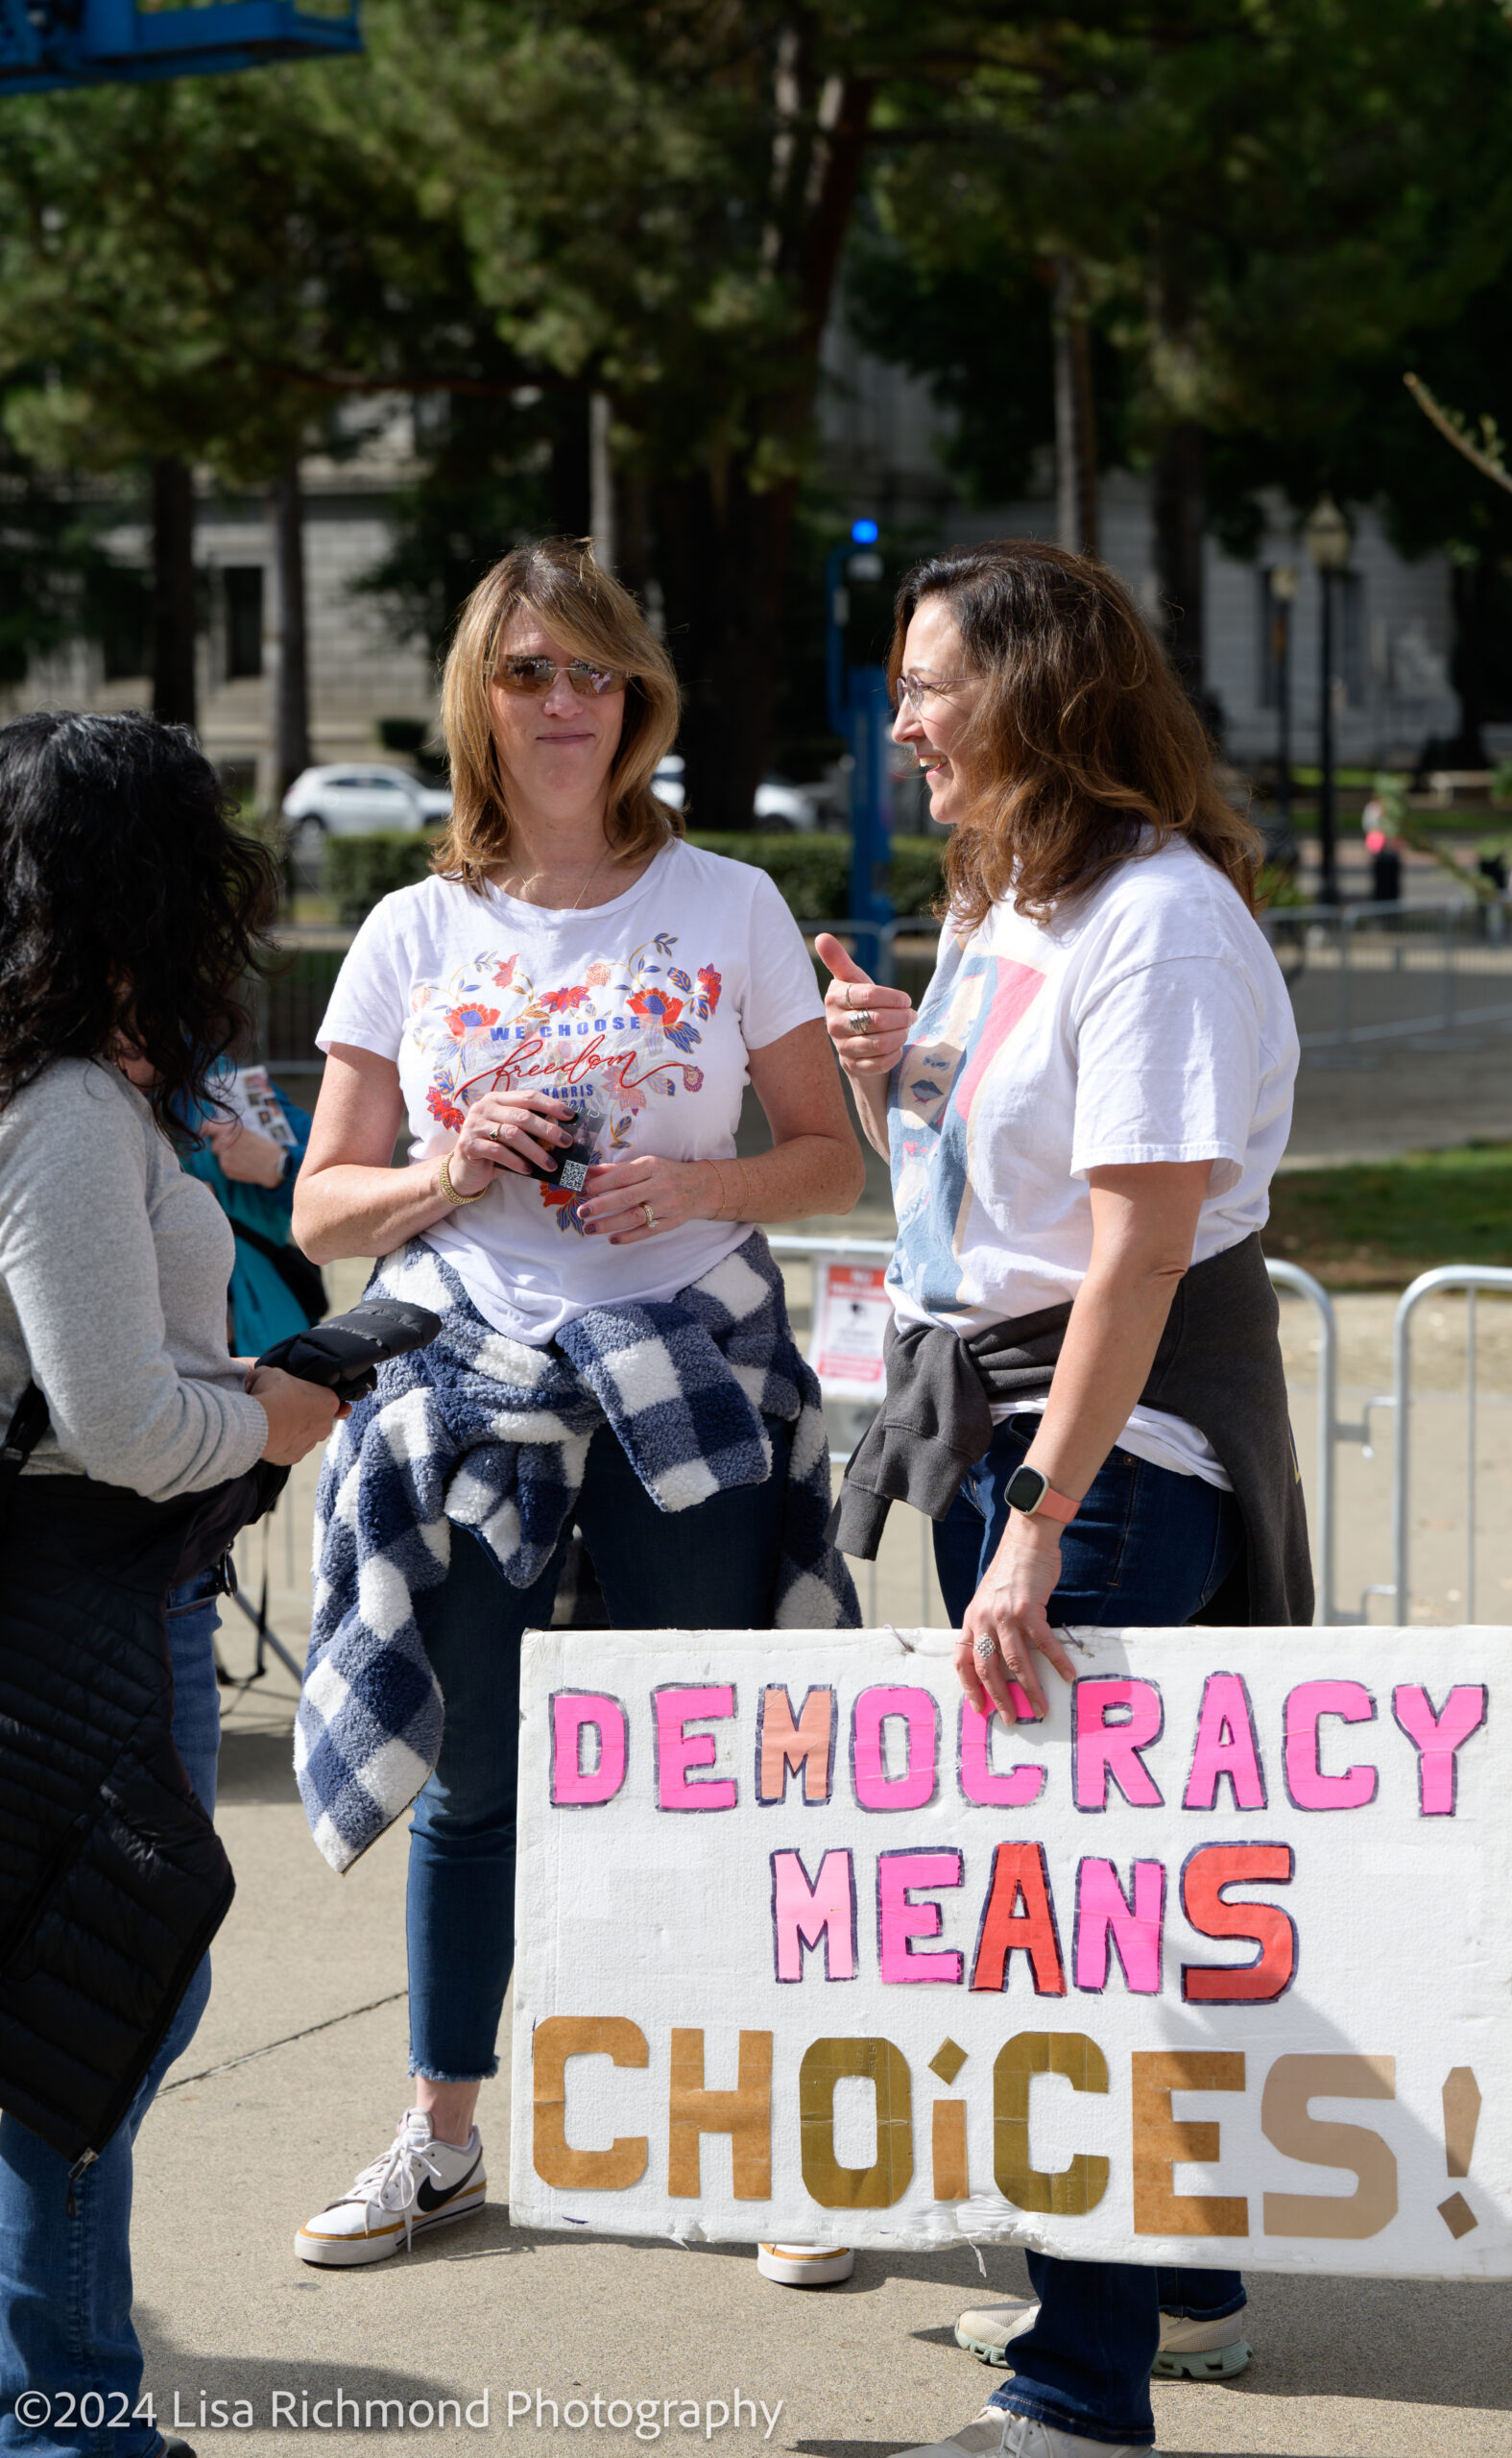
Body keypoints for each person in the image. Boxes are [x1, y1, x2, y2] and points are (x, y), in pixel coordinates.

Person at [288, 538, 863, 2269]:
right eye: (530, 672)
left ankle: (754, 2143)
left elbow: (831, 1155)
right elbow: (321, 1204)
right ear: (481, 695)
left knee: (709, 1770)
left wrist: (693, 1193)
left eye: (594, 674)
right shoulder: (412, 927)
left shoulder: (728, 905)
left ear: (638, 702)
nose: (562, 704)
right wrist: (447, 1169)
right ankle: (443, 2137)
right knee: (477, 1788)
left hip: (685, 1377)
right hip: (472, 1394)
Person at [820, 541, 1311, 2458]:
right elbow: (978, 1193)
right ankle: (1164, 2288)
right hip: (1008, 1432)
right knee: (1090, 1912)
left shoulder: (1159, 918)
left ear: (1035, 694)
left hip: (1103, 1461)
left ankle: (1075, 2391)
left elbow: (1127, 1257)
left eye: (927, 681)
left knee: (1074, 1930)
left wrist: (1032, 1515)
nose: (901, 719)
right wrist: (897, 1070)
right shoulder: (1006, 897)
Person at [0, 711, 343, 2458]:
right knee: (96, 2016)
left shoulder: (90, 1087)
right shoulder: (62, 1110)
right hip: (88, 1598)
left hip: (98, 1593)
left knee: (79, 2007)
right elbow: (121, 1418)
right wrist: (278, 1410)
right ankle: (67, 2425)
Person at [181, 1064, 324, 1351]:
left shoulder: (226, 1083)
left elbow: (335, 1175)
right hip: (167, 1344)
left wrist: (281, 1166)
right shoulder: (93, 1098)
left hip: (268, 1331)